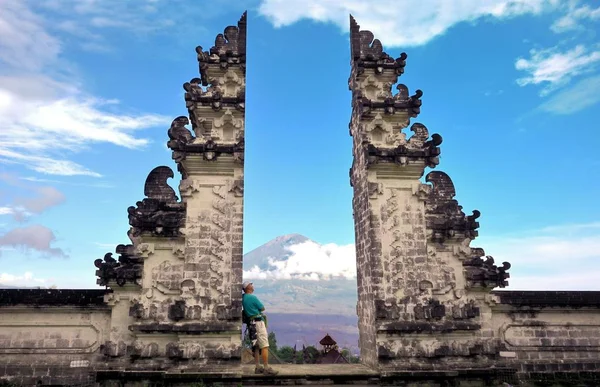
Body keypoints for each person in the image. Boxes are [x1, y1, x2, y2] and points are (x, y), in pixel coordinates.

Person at [242, 281, 278, 375]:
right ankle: (266, 368)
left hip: (251, 324)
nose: (253, 286)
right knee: (264, 345)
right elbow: (262, 308)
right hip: (258, 323)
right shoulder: (252, 297)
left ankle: (258, 367)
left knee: (256, 346)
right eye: (251, 284)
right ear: (248, 287)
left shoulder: (243, 298)